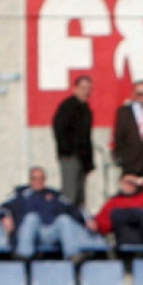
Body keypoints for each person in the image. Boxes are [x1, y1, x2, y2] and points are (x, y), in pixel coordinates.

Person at [0, 166, 89, 259]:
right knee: (32, 218)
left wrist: (87, 220)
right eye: (35, 178)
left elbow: (72, 208)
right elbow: (3, 207)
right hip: (31, 234)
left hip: (49, 233)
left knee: (64, 220)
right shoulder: (21, 195)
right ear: (30, 180)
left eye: (41, 178)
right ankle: (23, 257)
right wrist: (6, 217)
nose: (38, 181)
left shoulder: (54, 195)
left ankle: (73, 256)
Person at [93, 172, 143, 252]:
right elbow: (104, 225)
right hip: (125, 236)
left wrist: (140, 180)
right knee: (120, 214)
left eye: (131, 182)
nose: (129, 185)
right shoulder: (113, 202)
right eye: (126, 182)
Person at [53, 74, 96, 208]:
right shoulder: (67, 106)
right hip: (70, 157)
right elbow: (59, 130)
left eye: (89, 88)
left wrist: (88, 160)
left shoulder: (86, 108)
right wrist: (69, 151)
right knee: (69, 194)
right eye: (83, 88)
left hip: (82, 159)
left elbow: (87, 136)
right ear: (75, 88)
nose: (86, 91)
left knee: (80, 196)